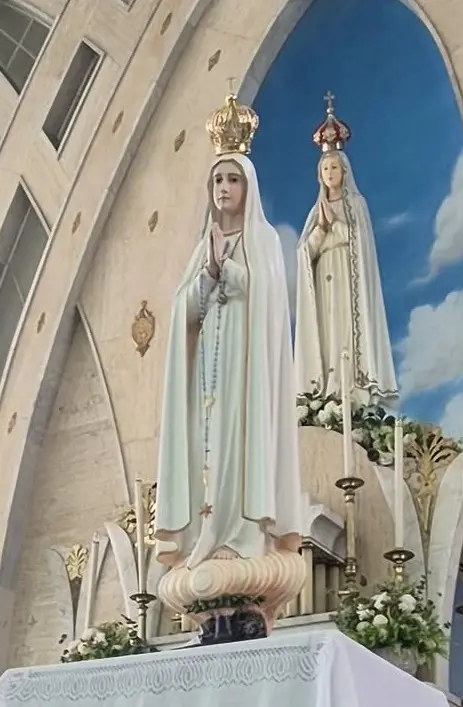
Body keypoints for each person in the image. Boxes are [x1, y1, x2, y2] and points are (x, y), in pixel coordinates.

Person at [154, 95, 305, 572]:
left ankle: (242, 535)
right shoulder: (204, 245)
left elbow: (269, 302)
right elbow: (184, 311)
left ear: (248, 186)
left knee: (238, 448)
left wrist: (229, 271)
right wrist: (207, 275)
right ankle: (205, 532)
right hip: (207, 380)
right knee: (207, 447)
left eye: (232, 178)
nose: (223, 187)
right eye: (217, 179)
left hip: (245, 374)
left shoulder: (262, 241)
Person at [295, 94, 398, 405]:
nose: (330, 173)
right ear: (319, 174)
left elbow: (359, 246)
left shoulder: (357, 205)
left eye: (334, 168)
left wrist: (336, 228)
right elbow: (305, 254)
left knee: (346, 329)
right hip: (325, 277)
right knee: (328, 331)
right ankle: (326, 391)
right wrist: (322, 230)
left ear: (344, 171)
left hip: (347, 279)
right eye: (325, 169)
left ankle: (354, 389)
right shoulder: (316, 212)